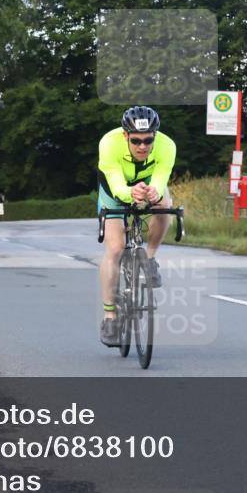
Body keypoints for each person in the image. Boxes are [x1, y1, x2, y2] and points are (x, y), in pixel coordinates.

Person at [96, 105, 176, 347]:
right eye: (137, 140)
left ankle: (150, 258)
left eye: (148, 140)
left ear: (155, 136)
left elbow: (161, 178)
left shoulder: (167, 146)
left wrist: (154, 191)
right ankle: (110, 316)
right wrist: (130, 193)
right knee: (116, 248)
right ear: (125, 135)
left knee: (164, 206)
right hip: (114, 189)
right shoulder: (109, 143)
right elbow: (117, 184)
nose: (143, 146)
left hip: (148, 184)